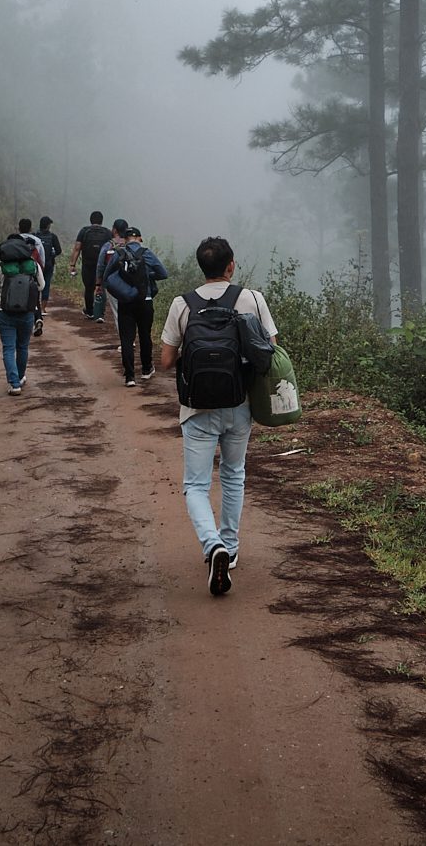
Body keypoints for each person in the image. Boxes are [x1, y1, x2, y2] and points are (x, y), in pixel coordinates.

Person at [159, 236, 279, 598]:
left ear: (201, 267)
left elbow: (165, 360)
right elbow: (270, 349)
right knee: (233, 475)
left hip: (196, 408)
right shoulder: (252, 299)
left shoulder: (183, 304)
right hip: (238, 404)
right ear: (231, 266)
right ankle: (232, 546)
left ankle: (213, 547)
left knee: (196, 485)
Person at [97, 220, 168, 388]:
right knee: (145, 335)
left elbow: (107, 276)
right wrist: (147, 275)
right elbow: (163, 273)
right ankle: (146, 369)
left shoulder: (119, 253)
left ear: (126, 238)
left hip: (125, 301)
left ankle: (129, 376)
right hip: (145, 300)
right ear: (140, 238)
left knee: (127, 339)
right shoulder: (147, 253)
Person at [0, 229, 42, 394]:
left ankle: (14, 383)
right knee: (23, 346)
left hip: (5, 312)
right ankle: (21, 376)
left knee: (9, 348)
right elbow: (42, 286)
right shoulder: (32, 264)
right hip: (27, 312)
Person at [72, 210, 113, 321]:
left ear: (91, 220)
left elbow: (77, 248)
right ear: (101, 221)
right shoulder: (107, 232)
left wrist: (72, 264)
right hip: (102, 265)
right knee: (101, 287)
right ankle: (100, 313)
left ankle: (90, 311)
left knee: (89, 288)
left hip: (87, 264)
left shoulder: (84, 231)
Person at [33, 215, 62, 332]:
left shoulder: (35, 236)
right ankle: (43, 309)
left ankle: (35, 307)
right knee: (46, 284)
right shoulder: (52, 236)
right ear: (48, 225)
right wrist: (52, 255)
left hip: (37, 265)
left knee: (35, 285)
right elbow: (59, 250)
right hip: (49, 265)